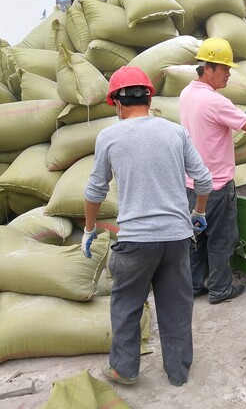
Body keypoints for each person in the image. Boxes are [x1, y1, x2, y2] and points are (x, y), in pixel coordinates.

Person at [82, 66, 213, 387]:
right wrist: (198, 212)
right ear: (149, 97)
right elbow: (204, 180)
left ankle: (124, 369)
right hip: (177, 238)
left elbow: (94, 191)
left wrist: (88, 229)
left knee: (127, 305)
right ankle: (178, 372)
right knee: (176, 306)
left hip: (136, 242)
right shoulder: (174, 132)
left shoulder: (109, 137)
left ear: (116, 102)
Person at [179, 37, 246, 305]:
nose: (228, 74)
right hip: (216, 186)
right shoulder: (216, 102)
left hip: (191, 184)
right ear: (207, 68)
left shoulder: (186, 94)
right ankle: (219, 289)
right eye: (224, 69)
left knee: (196, 236)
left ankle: (194, 285)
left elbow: (208, 126)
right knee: (221, 239)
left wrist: (237, 116)